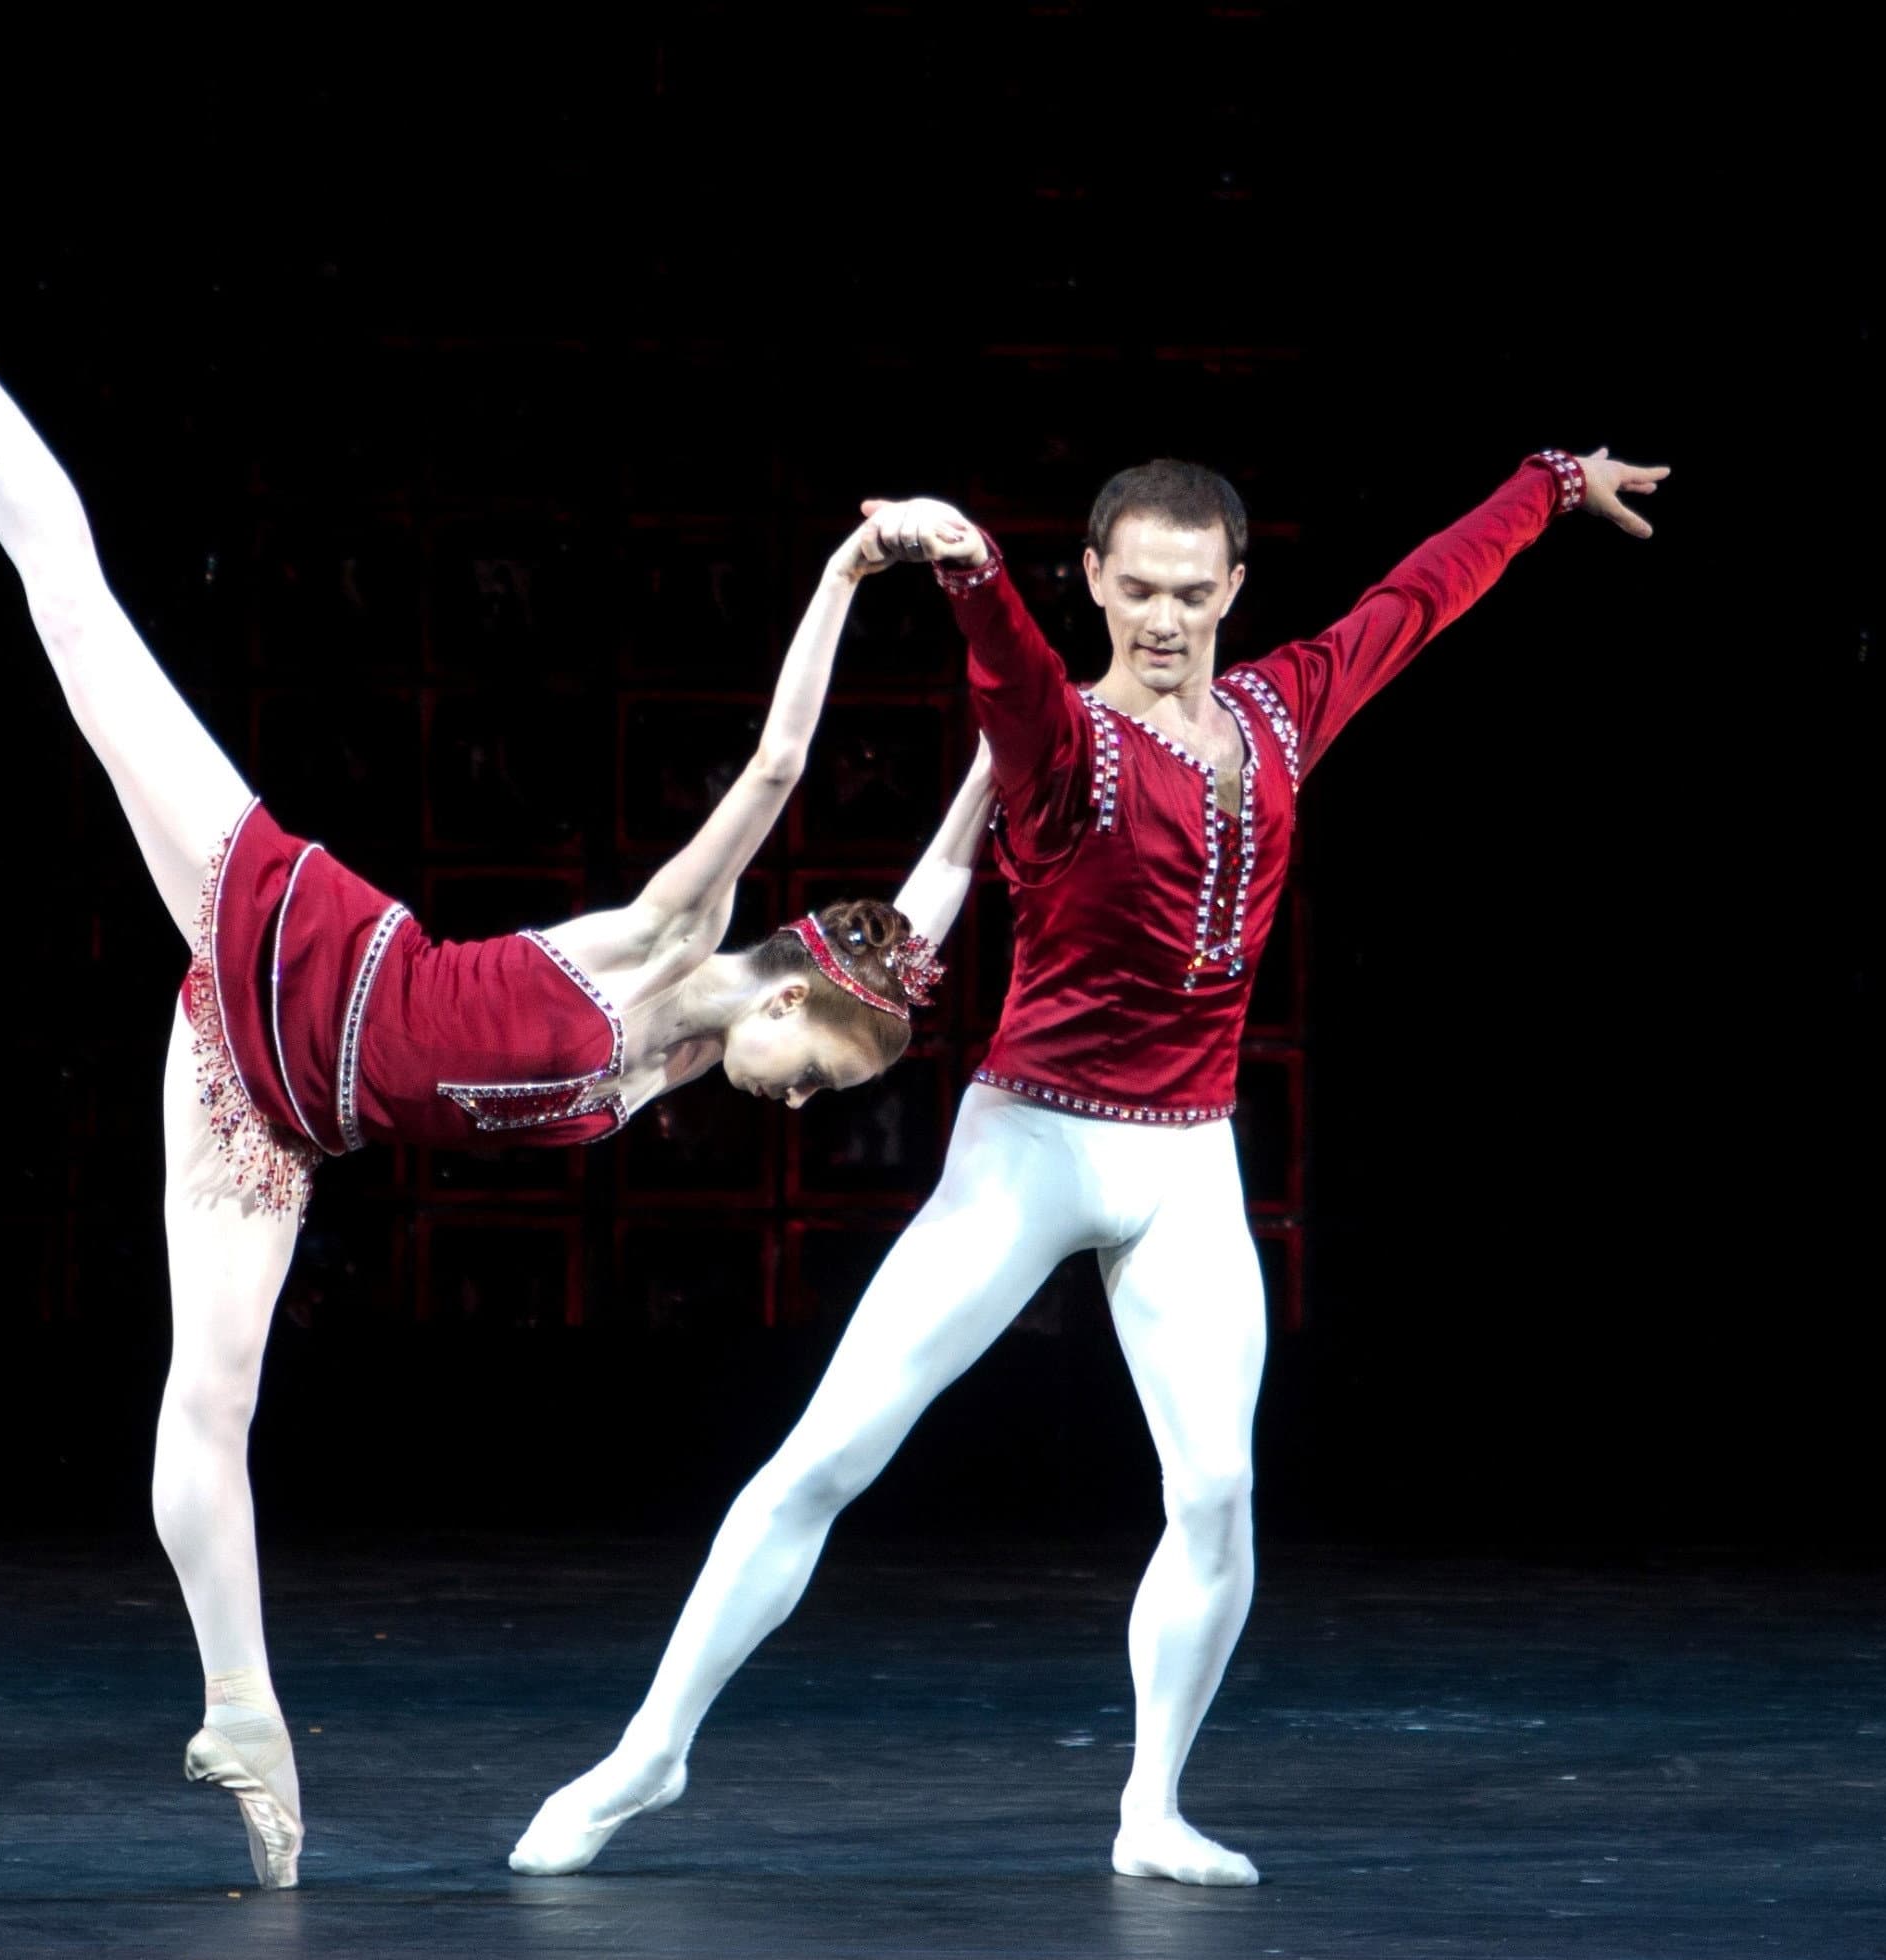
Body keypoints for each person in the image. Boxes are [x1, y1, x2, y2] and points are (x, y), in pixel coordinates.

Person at [0, 141, 999, 1889]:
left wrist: (1025, 735)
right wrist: (853, 582)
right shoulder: (667, 943)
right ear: (782, 977)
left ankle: (242, 1706)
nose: (787, 1106)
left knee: (206, 1400)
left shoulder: (722, 1041)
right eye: (805, 1069)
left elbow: (915, 919)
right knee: (82, 631)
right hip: (299, 944)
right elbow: (775, 765)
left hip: (284, 1100)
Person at [515, 445, 1669, 1886]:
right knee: (828, 1452)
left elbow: (1419, 598)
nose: (1167, 619)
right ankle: (652, 1748)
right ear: (1099, 585)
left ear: (1234, 587)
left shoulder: (1283, 708)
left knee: (1218, 1495)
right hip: (1035, 1142)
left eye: (1194, 592)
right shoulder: (1059, 744)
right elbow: (1005, 666)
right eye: (1138, 591)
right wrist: (968, 565)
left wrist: (1550, 486)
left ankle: (1151, 1804)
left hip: (1188, 1163)